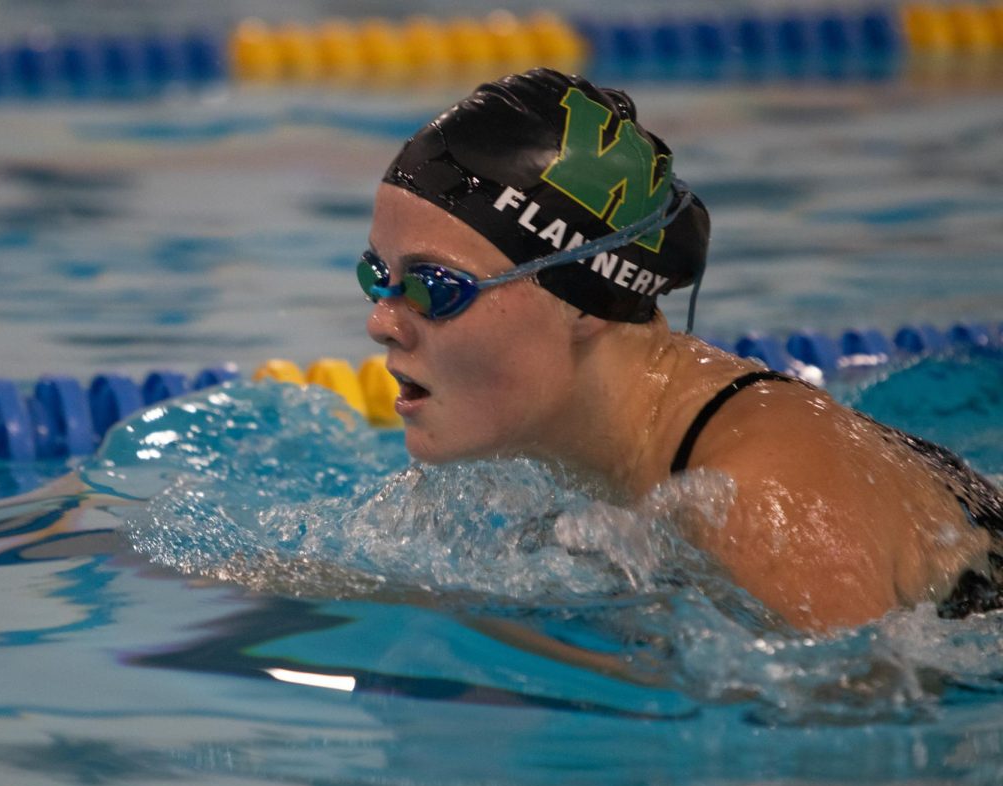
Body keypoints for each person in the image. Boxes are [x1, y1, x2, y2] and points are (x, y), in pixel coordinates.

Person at [358, 68, 1003, 632]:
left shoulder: (758, 497)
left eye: (432, 287)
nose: (383, 322)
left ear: (581, 299)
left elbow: (860, 736)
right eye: (377, 276)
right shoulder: (585, 452)